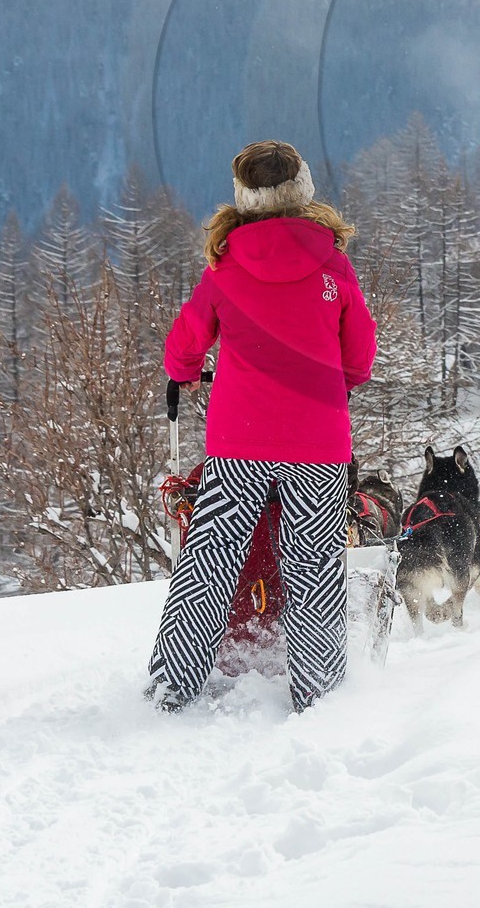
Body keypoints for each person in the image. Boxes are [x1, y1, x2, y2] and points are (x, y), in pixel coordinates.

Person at [147, 140, 377, 713]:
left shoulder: (224, 269)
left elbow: (182, 348)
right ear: (304, 194)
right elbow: (361, 358)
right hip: (319, 450)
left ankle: (171, 691)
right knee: (314, 571)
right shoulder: (334, 266)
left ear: (243, 201)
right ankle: (317, 699)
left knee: (208, 568)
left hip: (236, 446)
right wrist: (331, 381)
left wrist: (188, 373)